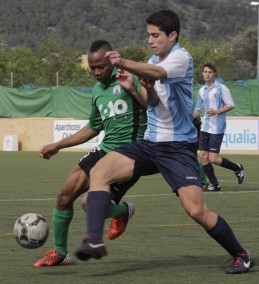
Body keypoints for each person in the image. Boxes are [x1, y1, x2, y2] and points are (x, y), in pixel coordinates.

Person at [75, 10, 254, 274]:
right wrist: (136, 88)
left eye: (156, 35)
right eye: (148, 35)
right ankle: (93, 240)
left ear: (173, 35)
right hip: (150, 144)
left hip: (178, 147)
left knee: (196, 211)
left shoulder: (181, 58)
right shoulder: (153, 59)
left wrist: (122, 62)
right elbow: (153, 102)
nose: (150, 40)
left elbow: (158, 72)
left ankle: (242, 254)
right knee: (99, 172)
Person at [34, 40, 157, 268]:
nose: (97, 72)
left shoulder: (129, 77)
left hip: (129, 155)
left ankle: (122, 210)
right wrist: (58, 145)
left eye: (101, 66)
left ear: (111, 60)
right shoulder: (98, 90)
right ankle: (60, 253)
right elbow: (93, 127)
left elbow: (153, 103)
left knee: (88, 203)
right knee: (64, 195)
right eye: (92, 68)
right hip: (104, 149)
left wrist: (133, 86)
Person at [194, 61, 244, 192]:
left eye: (210, 72)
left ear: (214, 74)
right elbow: (198, 109)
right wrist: (188, 118)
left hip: (217, 128)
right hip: (205, 128)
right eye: (205, 72)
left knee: (214, 158)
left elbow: (231, 105)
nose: (207, 74)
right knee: (203, 156)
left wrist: (216, 111)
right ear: (202, 73)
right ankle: (215, 184)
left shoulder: (221, 88)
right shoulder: (201, 90)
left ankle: (237, 167)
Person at [193, 115, 209, 189]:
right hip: (189, 127)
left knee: (199, 156)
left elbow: (195, 115)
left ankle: (203, 181)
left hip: (193, 126)